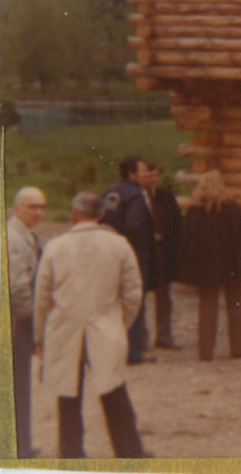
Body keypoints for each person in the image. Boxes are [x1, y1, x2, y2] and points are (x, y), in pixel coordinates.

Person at [33, 191, 148, 458]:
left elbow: (42, 299)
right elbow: (133, 293)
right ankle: (129, 452)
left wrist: (40, 337)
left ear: (75, 212)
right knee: (114, 391)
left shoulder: (54, 246)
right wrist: (120, 323)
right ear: (101, 214)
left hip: (64, 329)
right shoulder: (119, 245)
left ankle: (71, 455)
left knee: (67, 398)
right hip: (105, 327)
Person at [178, 170, 241, 361]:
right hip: (233, 265)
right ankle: (238, 348)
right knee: (236, 304)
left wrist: (188, 269)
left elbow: (186, 242)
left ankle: (205, 351)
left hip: (206, 268)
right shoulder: (233, 210)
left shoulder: (194, 212)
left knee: (207, 306)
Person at [100, 156, 156, 365]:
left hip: (107, 254)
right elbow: (133, 224)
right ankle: (133, 352)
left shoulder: (109, 192)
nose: (146, 174)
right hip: (131, 255)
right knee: (134, 301)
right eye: (143, 171)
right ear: (132, 175)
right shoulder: (135, 196)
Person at [8, 186, 46, 458]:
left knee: (20, 385)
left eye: (42, 207)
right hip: (14, 323)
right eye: (32, 206)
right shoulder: (13, 239)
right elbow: (17, 287)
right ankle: (17, 446)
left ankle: (20, 443)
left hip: (18, 321)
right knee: (17, 384)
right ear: (17, 208)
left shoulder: (28, 236)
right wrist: (31, 321)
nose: (38, 212)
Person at [142, 161, 183, 350]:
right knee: (140, 295)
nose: (153, 180)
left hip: (162, 251)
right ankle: (141, 339)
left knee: (164, 295)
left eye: (156, 176)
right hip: (144, 252)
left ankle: (164, 336)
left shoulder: (165, 197)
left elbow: (177, 222)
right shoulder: (136, 198)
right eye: (149, 176)